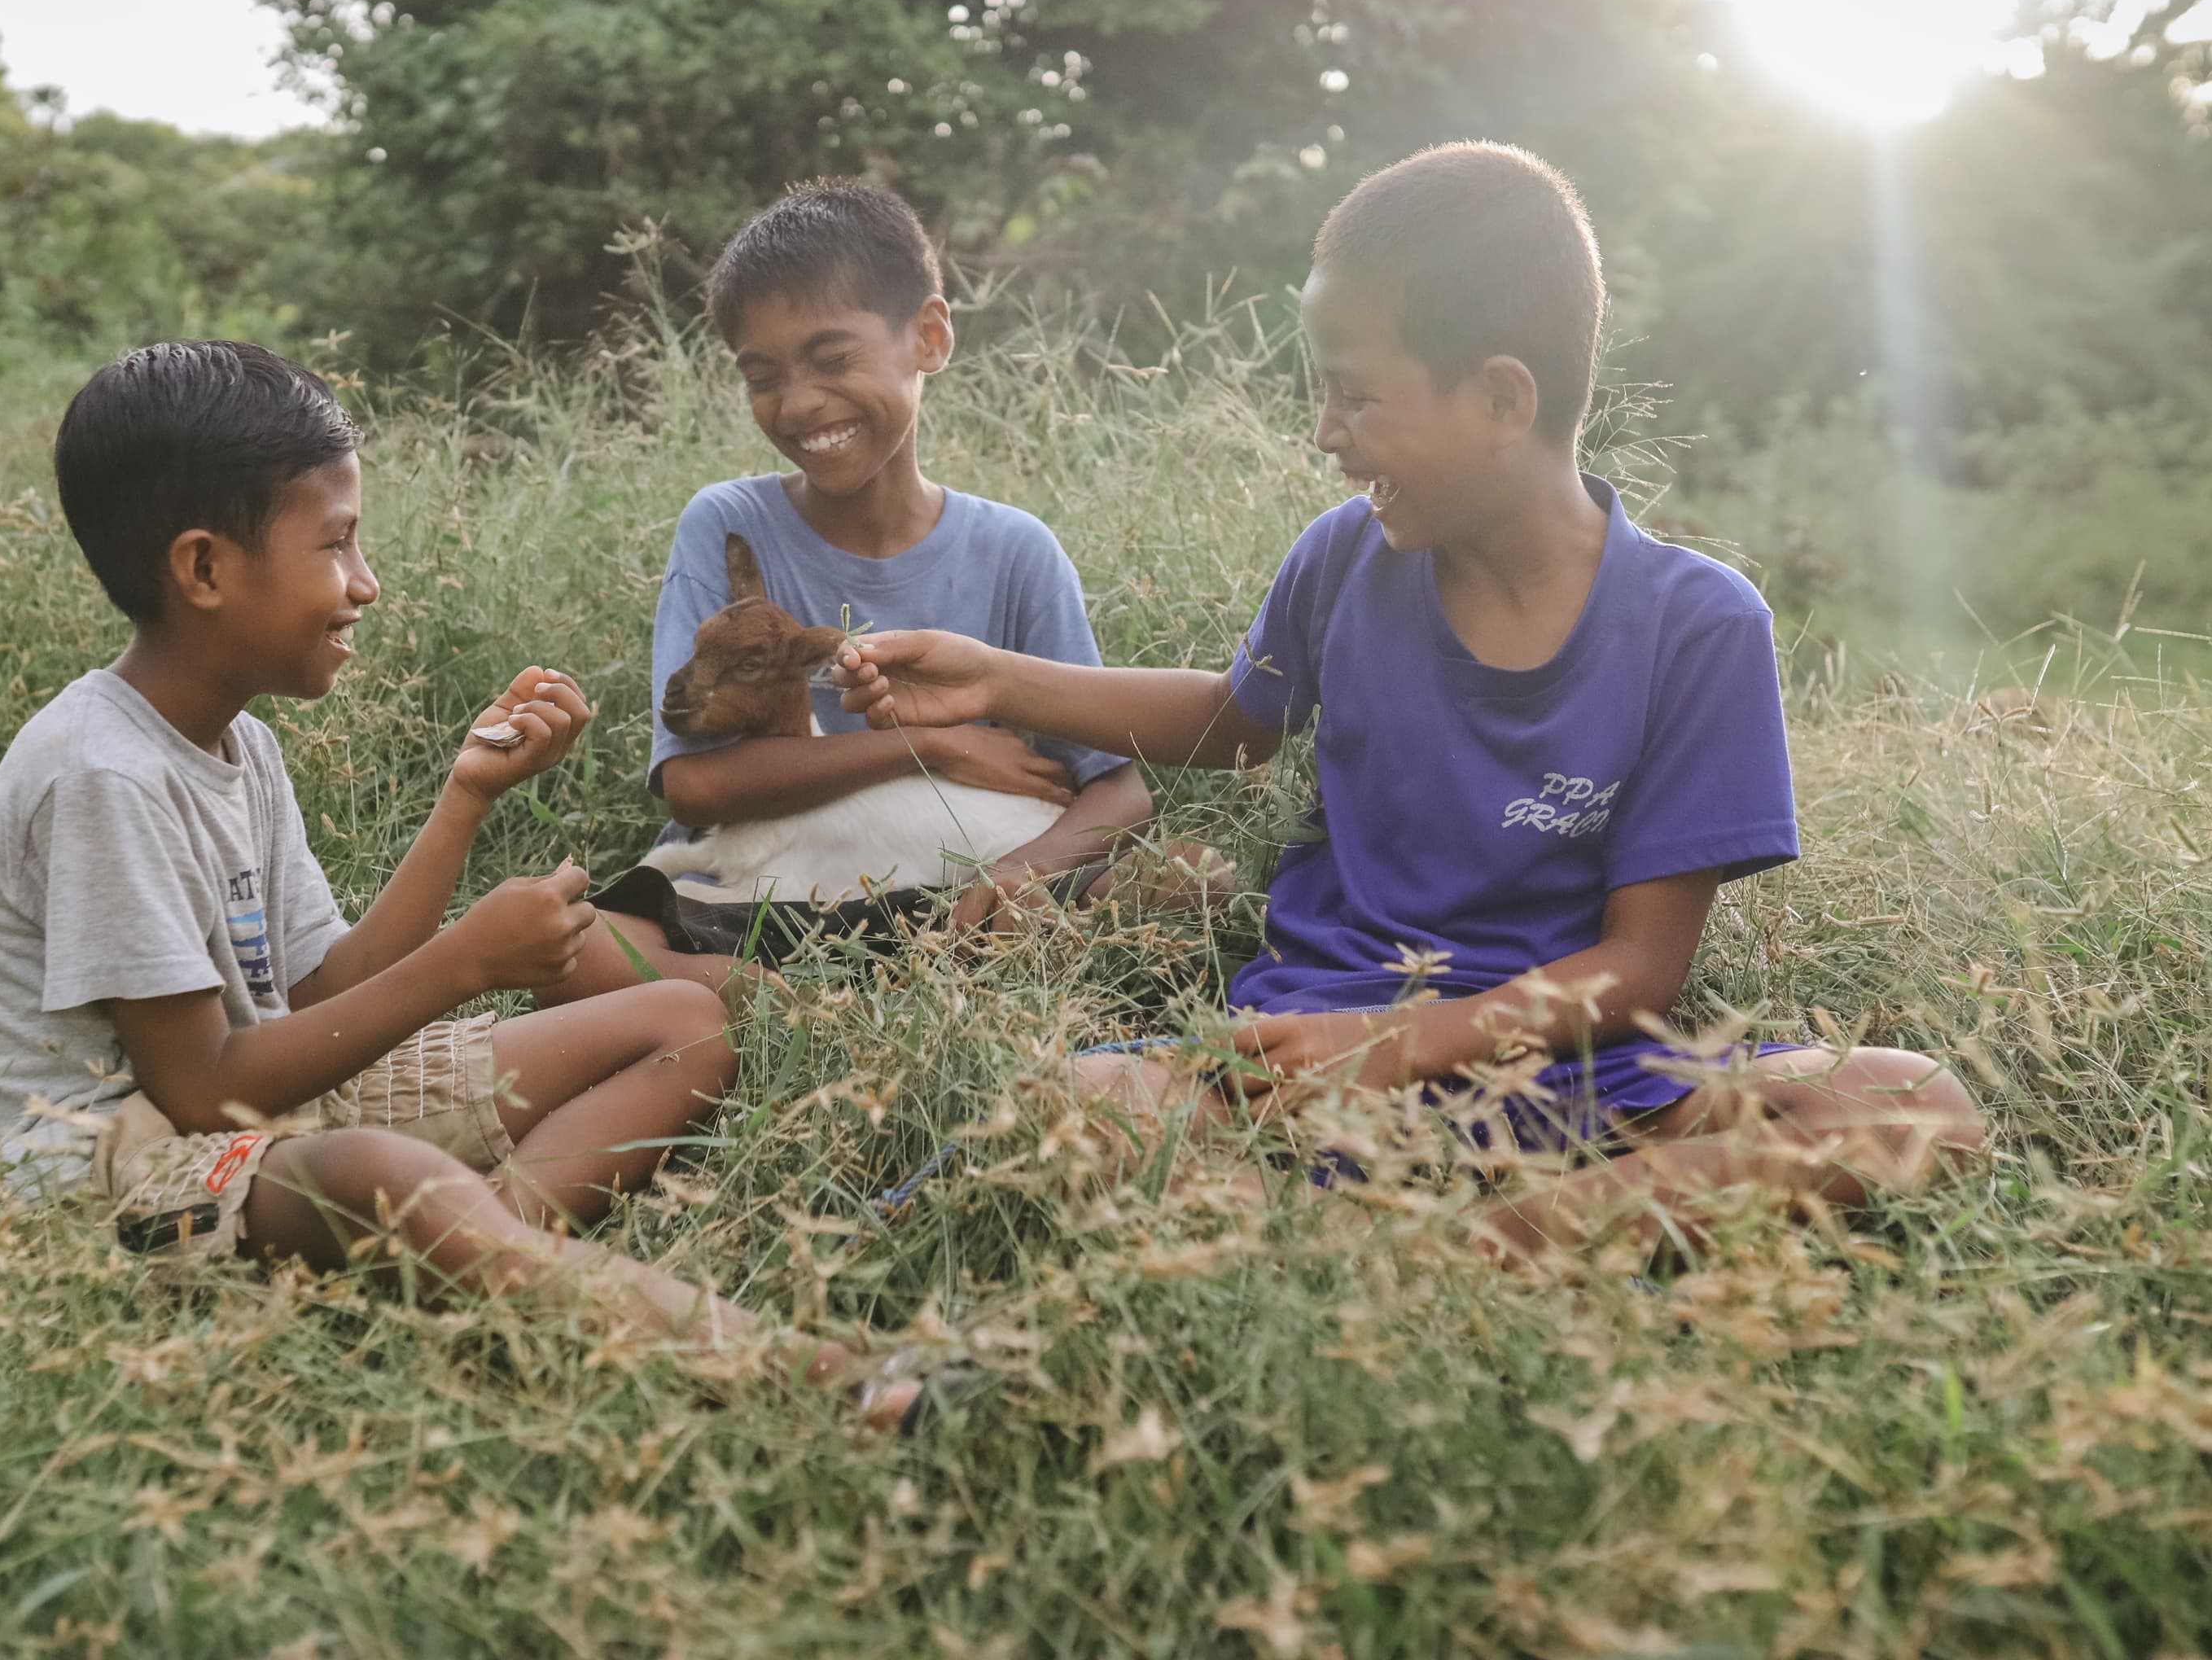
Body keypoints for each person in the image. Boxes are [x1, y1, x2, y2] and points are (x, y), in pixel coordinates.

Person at [836, 144, 1986, 1256]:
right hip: (1307, 1051)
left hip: (1572, 1070)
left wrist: (1398, 1044)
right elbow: (1239, 724)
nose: (1326, 436)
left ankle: (1432, 1257)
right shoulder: (1344, 560)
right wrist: (997, 678)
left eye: (1354, 397)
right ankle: (1444, 1252)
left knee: (1905, 1105)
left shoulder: (1699, 626)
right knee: (1082, 1098)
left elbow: (1642, 968)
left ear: (1500, 398)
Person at [0, 339, 926, 1419]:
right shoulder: (105, 774)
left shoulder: (239, 749)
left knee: (683, 1019)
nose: (366, 583)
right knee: (377, 1173)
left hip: (266, 1103)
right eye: (338, 544)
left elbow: (318, 991)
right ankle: (827, 1382)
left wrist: (467, 800)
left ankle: (472, 1250)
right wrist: (464, 966)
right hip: (108, 1163)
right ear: (206, 570)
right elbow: (197, 1091)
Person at [564, 180, 1205, 994]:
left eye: (833, 360)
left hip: (964, 888)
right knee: (582, 946)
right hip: (765, 893)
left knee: (1192, 883)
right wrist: (927, 745)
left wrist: (1026, 874)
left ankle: (811, 1005)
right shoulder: (728, 522)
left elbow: (1116, 786)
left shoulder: (1016, 551)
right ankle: (814, 1006)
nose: (799, 403)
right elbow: (694, 782)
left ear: (929, 337)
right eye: (763, 376)